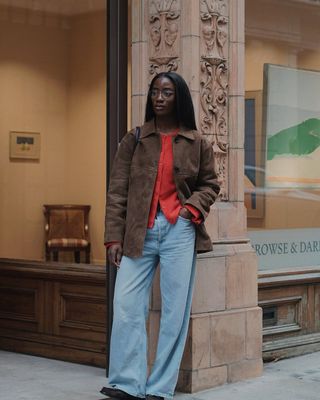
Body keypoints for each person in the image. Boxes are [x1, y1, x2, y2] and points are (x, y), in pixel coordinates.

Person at [101, 72, 220, 400]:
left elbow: (210, 184)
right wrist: (113, 238)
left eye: (167, 92)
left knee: (174, 312)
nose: (159, 97)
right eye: (155, 91)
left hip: (179, 231)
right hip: (140, 231)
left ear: (178, 97)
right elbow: (117, 191)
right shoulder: (135, 139)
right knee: (125, 303)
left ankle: (159, 388)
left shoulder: (197, 142)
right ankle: (127, 382)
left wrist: (188, 211)